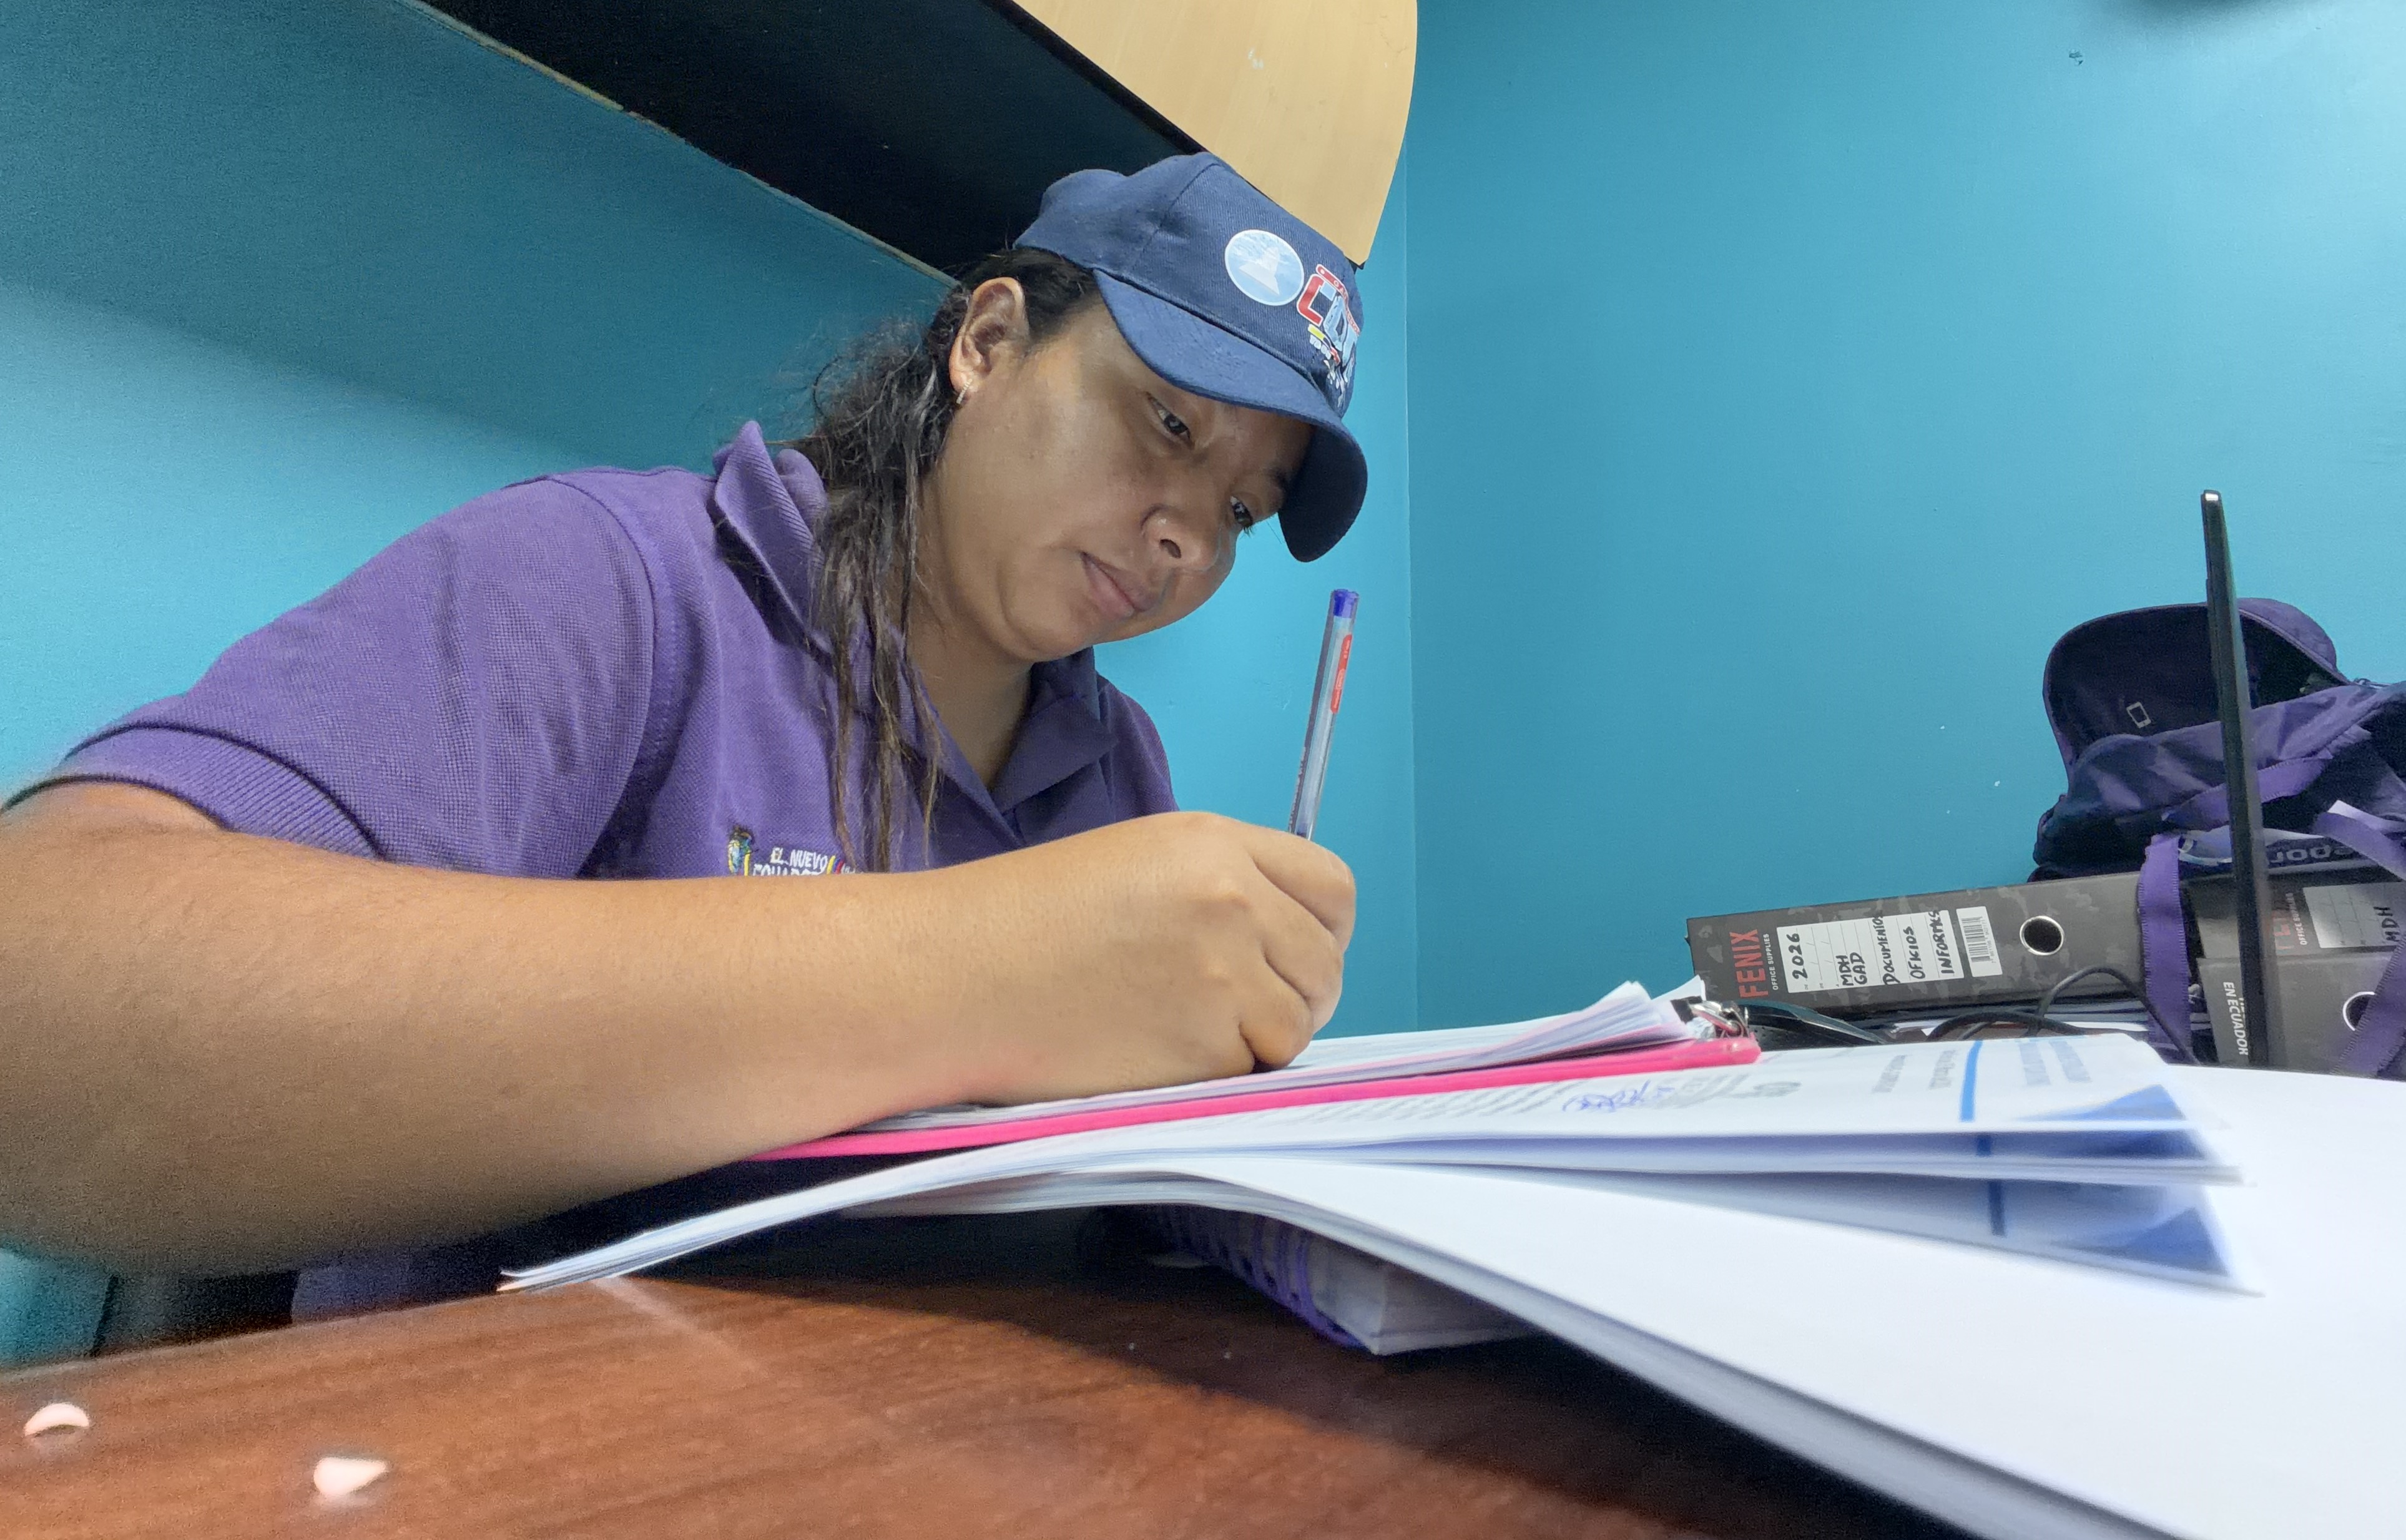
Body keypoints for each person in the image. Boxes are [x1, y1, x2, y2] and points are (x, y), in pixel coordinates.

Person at [0, 154, 1367, 1311]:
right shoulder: (613, 585)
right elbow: (41, 1010)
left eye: (1242, 510)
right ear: (989, 344)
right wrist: (984, 970)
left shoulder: (1119, 767)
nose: (1189, 537)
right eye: (1167, 421)